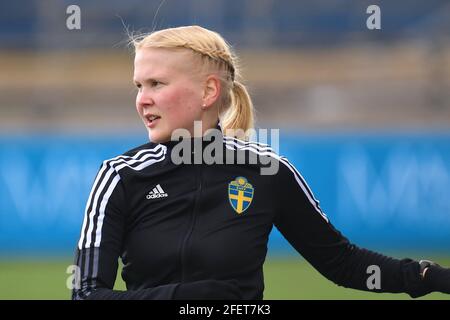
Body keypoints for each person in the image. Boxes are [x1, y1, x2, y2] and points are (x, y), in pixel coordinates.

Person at [72, 25, 450, 300]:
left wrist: (429, 277)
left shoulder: (268, 172)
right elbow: (86, 294)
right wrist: (187, 301)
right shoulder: (121, 176)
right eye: (139, 86)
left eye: (156, 84)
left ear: (208, 91)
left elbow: (344, 264)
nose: (142, 99)